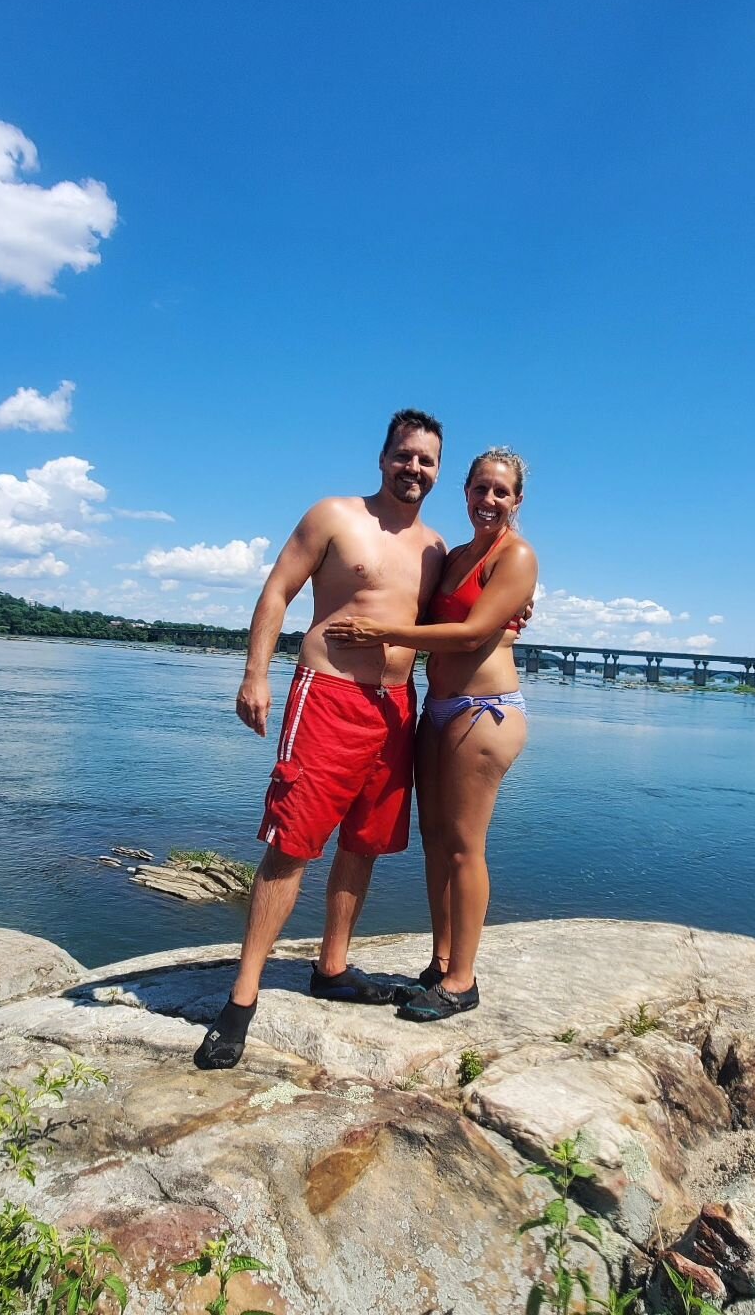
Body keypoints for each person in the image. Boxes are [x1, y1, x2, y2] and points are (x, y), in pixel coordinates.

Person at [193, 409, 448, 1071]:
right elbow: (278, 590)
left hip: (395, 709)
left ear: (437, 470)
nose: (413, 469)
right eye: (404, 456)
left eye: (426, 460)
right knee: (292, 845)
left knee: (364, 843)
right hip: (327, 696)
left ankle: (331, 966)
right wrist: (255, 674)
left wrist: (515, 612)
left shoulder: (436, 549)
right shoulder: (334, 516)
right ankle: (241, 1001)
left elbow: (464, 621)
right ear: (383, 457)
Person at [325, 446, 537, 1020]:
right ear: (464, 491)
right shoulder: (456, 554)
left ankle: (463, 982)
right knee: (437, 842)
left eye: (501, 492)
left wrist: (377, 631)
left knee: (466, 846)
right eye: (479, 489)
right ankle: (442, 960)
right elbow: (425, 612)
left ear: (518, 500)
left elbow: (470, 634)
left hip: (483, 711)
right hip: (440, 709)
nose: (488, 500)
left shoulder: (516, 556)